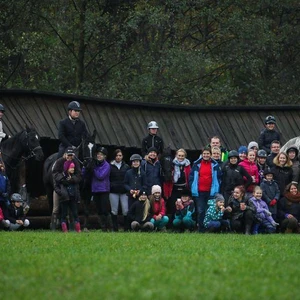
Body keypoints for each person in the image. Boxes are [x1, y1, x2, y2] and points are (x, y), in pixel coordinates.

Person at [189, 147, 221, 233]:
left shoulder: (215, 165)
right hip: (199, 192)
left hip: (211, 191)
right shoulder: (196, 164)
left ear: (210, 154)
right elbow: (191, 177)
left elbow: (218, 178)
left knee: (209, 211)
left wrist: (217, 188)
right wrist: (192, 187)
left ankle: (208, 229)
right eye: (204, 154)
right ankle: (201, 229)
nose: (206, 155)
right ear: (202, 155)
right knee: (201, 210)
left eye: (207, 154)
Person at [51, 147, 81, 231]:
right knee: (56, 208)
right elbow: (55, 174)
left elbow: (79, 175)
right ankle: (53, 227)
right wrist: (63, 179)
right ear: (65, 154)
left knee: (72, 210)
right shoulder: (59, 162)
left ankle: (72, 228)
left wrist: (71, 180)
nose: (69, 157)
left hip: (71, 188)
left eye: (71, 155)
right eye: (68, 155)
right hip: (60, 186)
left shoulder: (75, 162)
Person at [86, 146, 111, 231]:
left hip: (104, 190)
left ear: (105, 156)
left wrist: (93, 169)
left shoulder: (107, 165)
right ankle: (103, 227)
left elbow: (100, 176)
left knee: (104, 209)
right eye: (98, 154)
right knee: (99, 210)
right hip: (95, 189)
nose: (99, 156)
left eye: (101, 155)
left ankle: (109, 227)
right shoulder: (95, 164)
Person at [109, 149, 130, 232]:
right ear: (114, 156)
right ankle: (115, 229)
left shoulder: (126, 166)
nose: (118, 157)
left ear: (122, 157)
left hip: (124, 191)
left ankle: (126, 228)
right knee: (114, 210)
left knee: (125, 210)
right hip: (113, 191)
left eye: (120, 155)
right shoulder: (110, 166)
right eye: (117, 155)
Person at [166, 148, 191, 215]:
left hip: (184, 188)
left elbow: (189, 176)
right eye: (179, 155)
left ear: (185, 156)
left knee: (184, 205)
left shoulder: (187, 165)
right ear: (176, 155)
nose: (180, 157)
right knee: (173, 205)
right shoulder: (172, 164)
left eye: (182, 156)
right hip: (174, 188)